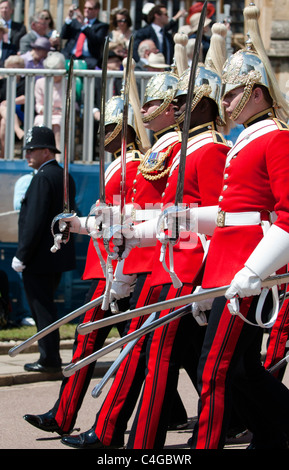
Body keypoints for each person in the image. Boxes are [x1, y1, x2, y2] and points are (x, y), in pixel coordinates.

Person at [59, 71, 190, 449]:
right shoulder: (154, 153)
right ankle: (92, 422)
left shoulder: (153, 155)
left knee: (156, 355)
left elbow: (159, 212)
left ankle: (115, 431)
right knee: (161, 355)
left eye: (111, 128)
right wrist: (85, 224)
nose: (103, 136)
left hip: (159, 261)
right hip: (134, 258)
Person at [183, 4, 289, 449]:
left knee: (216, 368)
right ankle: (275, 435)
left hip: (247, 266)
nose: (222, 103)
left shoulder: (277, 137)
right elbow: (230, 214)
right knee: (241, 368)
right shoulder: (243, 141)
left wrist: (253, 271)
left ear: (257, 93)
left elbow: (285, 215)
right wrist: (184, 218)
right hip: (225, 265)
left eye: (231, 94)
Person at [22, 96, 143, 436]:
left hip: (121, 270)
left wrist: (123, 274)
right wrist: (78, 224)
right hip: (109, 268)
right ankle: (63, 414)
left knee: (103, 342)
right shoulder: (120, 163)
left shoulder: (132, 165)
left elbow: (129, 225)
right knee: (116, 344)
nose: (102, 134)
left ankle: (78, 419)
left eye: (108, 128)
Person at [11, 126, 76, 373]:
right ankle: (50, 356)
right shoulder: (63, 175)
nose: (27, 154)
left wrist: (21, 255)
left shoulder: (42, 178)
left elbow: (34, 221)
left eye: (32, 150)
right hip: (55, 255)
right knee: (47, 306)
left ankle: (49, 358)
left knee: (42, 309)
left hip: (38, 257)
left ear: (46, 152)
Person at [34, 51, 66, 154]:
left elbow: (71, 103)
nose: (55, 74)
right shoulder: (40, 82)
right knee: (41, 122)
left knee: (57, 123)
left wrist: (59, 109)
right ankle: (40, 155)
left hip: (62, 115)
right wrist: (44, 109)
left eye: (58, 70)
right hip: (44, 114)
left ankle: (58, 156)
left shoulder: (69, 82)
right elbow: (38, 105)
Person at [60, 1, 109, 69]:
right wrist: (69, 17)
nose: (86, 10)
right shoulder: (75, 22)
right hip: (70, 55)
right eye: (85, 8)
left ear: (97, 10)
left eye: (90, 8)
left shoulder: (102, 26)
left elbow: (97, 40)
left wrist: (84, 25)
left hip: (88, 59)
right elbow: (63, 35)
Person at [0, 54, 25, 157]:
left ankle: (3, 156)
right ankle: (18, 131)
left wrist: (11, 101)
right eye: (11, 67)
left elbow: (27, 97)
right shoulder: (3, 83)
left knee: (4, 121)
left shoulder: (26, 81)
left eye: (16, 67)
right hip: (3, 113)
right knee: (3, 113)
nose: (13, 70)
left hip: (20, 113)